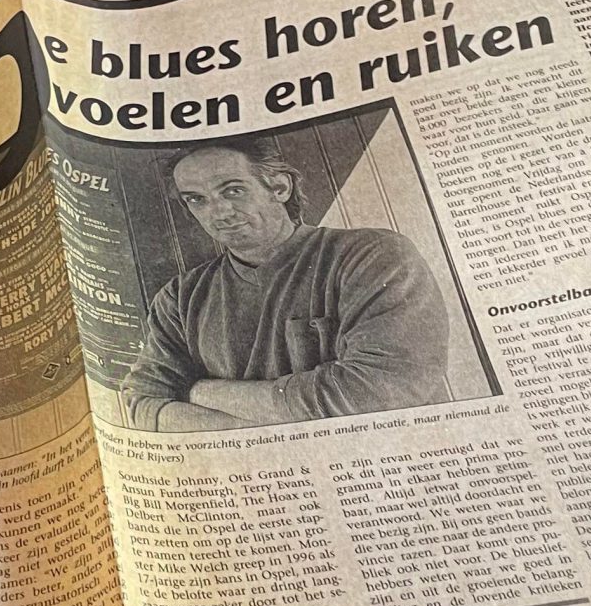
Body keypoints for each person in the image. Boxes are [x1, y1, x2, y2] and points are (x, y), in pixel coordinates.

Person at [119, 139, 450, 431]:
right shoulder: (179, 297)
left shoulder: (372, 255)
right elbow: (143, 403)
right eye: (196, 200)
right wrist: (265, 433)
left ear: (279, 187)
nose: (218, 212)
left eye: (233, 191)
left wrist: (199, 392)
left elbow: (378, 392)